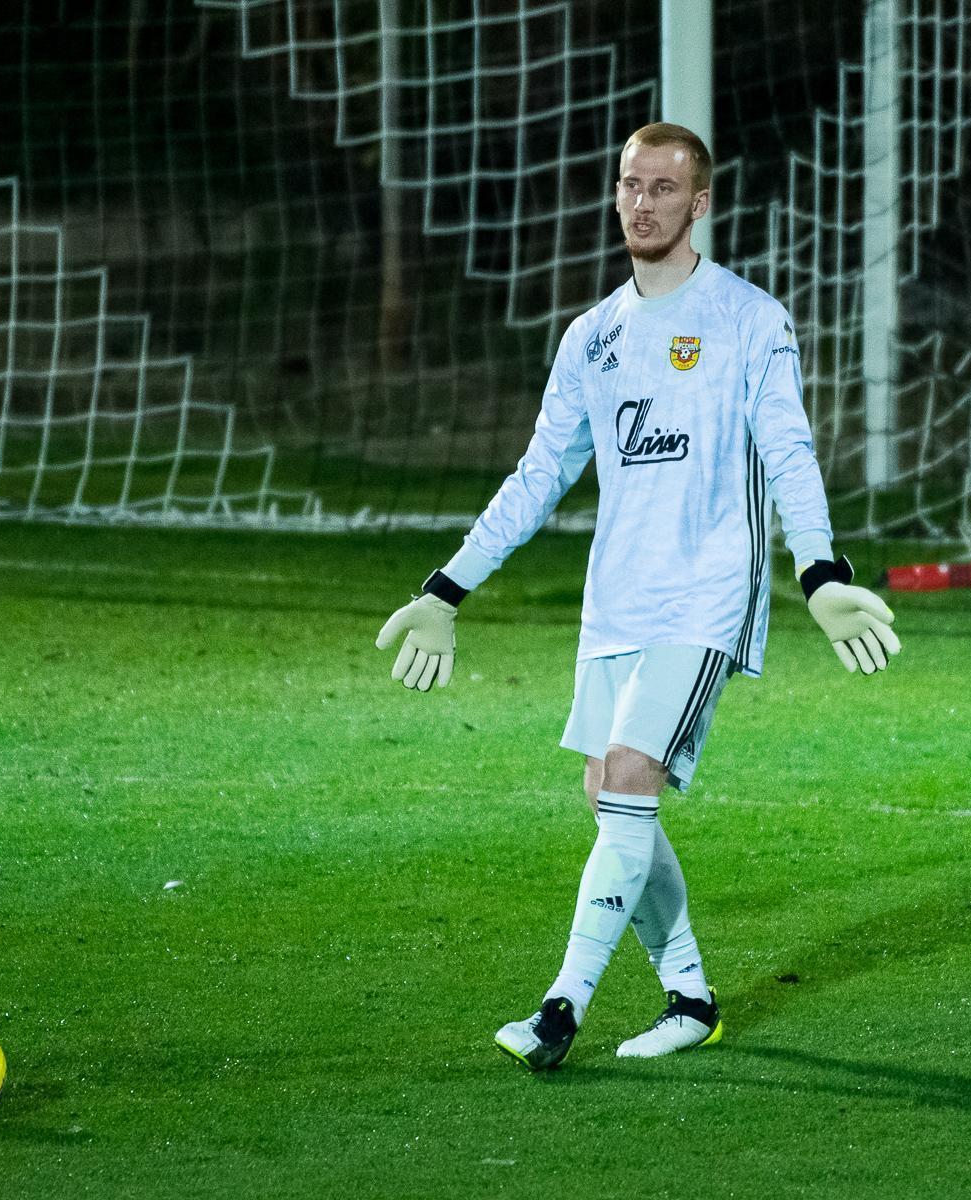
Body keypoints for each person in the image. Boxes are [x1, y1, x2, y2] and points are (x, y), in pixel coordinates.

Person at [374, 122, 901, 1070]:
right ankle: (691, 998)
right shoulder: (593, 337)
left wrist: (820, 571)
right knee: (610, 796)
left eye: (663, 188)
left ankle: (559, 1009)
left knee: (626, 777)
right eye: (630, 184)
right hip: (616, 599)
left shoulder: (748, 318)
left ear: (699, 203)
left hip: (707, 594)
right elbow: (539, 475)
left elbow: (789, 451)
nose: (642, 203)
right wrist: (447, 589)